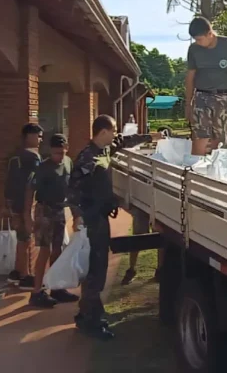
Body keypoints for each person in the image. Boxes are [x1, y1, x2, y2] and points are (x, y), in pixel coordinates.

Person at [68, 115, 152, 340]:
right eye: (113, 130)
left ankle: (86, 314)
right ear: (103, 132)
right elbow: (73, 191)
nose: (115, 134)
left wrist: (150, 136)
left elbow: (124, 140)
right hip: (92, 219)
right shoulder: (87, 158)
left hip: (101, 218)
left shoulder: (105, 149)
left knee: (98, 269)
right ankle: (93, 321)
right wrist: (77, 216)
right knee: (96, 270)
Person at [27, 134, 79, 308]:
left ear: (67, 148)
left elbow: (71, 190)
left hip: (59, 210)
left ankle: (56, 287)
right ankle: (36, 292)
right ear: (50, 151)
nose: (60, 156)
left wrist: (75, 214)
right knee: (44, 251)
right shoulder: (43, 168)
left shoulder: (68, 162)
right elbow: (30, 191)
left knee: (58, 249)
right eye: (56, 153)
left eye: (62, 152)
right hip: (45, 210)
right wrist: (27, 215)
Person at [185, 16, 227, 156]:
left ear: (210, 33)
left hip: (226, 97)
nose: (198, 43)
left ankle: (213, 171)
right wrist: (188, 103)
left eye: (200, 39)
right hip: (202, 96)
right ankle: (194, 170)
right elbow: (190, 77)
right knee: (199, 135)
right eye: (196, 40)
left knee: (218, 139)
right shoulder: (194, 50)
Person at [4, 123, 43, 290]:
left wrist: (7, 203)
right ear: (29, 136)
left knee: (22, 238)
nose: (41, 139)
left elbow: (8, 182)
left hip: (14, 203)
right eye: (38, 135)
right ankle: (24, 276)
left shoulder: (14, 156)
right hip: (25, 204)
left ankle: (17, 272)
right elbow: (34, 183)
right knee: (25, 239)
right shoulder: (32, 157)